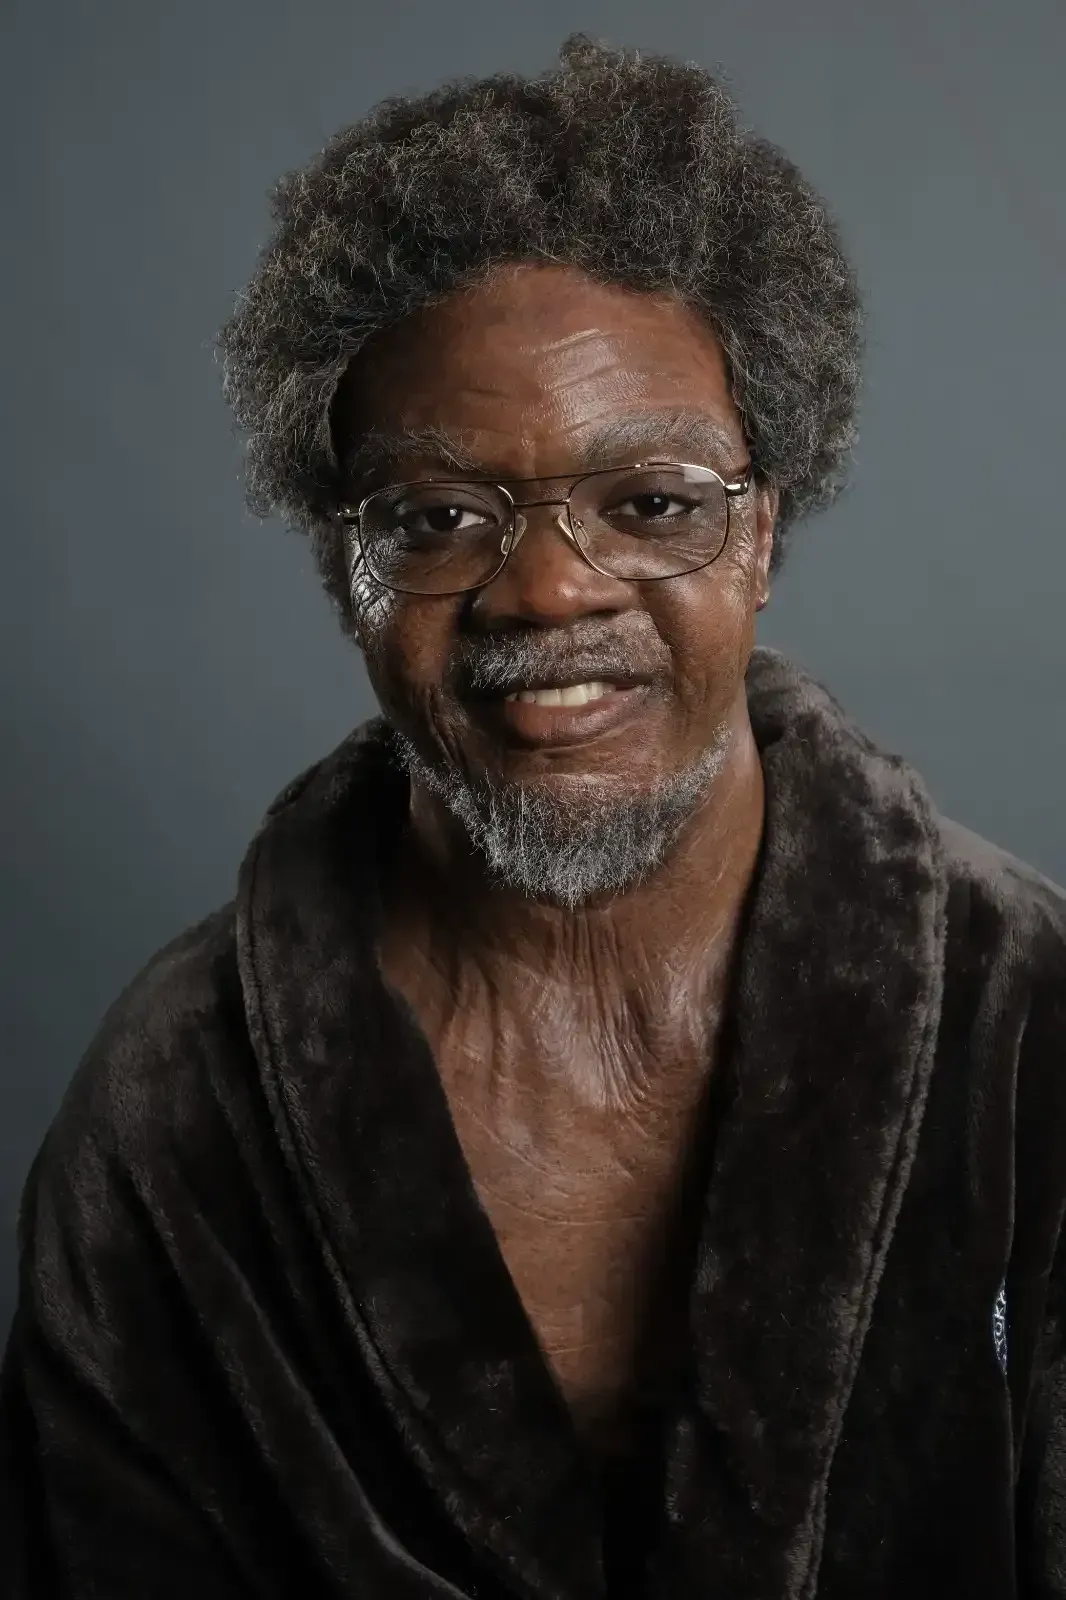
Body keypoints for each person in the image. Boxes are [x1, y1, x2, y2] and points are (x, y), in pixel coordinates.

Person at [2, 32, 1064, 1600]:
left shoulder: (1023, 1019)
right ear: (341, 578)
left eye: (649, 504)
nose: (550, 586)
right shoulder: (177, 1116)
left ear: (761, 533)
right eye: (436, 518)